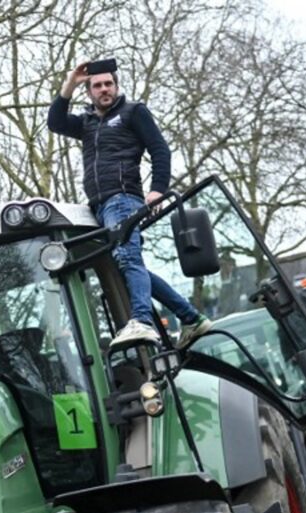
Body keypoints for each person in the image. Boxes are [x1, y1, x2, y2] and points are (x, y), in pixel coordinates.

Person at [47, 61, 212, 349]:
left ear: (116, 86)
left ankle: (142, 321)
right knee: (128, 263)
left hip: (123, 198)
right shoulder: (86, 123)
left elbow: (160, 148)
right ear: (89, 92)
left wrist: (157, 190)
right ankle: (191, 318)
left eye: (108, 83)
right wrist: (70, 83)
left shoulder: (133, 112)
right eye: (97, 85)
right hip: (98, 206)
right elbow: (55, 122)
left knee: (127, 258)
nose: (104, 89)